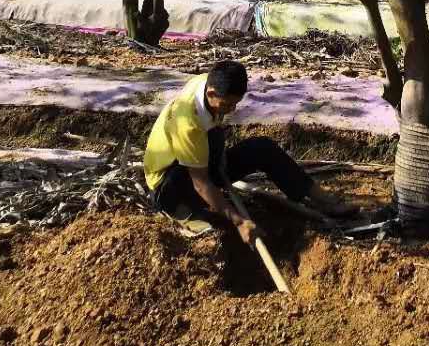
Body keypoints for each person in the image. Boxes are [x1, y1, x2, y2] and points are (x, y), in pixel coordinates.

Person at [143, 60, 341, 242]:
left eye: (235, 103)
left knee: (262, 148)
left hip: (200, 159)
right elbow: (201, 184)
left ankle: (318, 197)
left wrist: (219, 158)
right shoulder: (187, 123)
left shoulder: (206, 82)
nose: (231, 109)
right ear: (211, 93)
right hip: (169, 185)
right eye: (227, 104)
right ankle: (179, 211)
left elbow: (215, 128)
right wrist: (239, 222)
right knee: (193, 189)